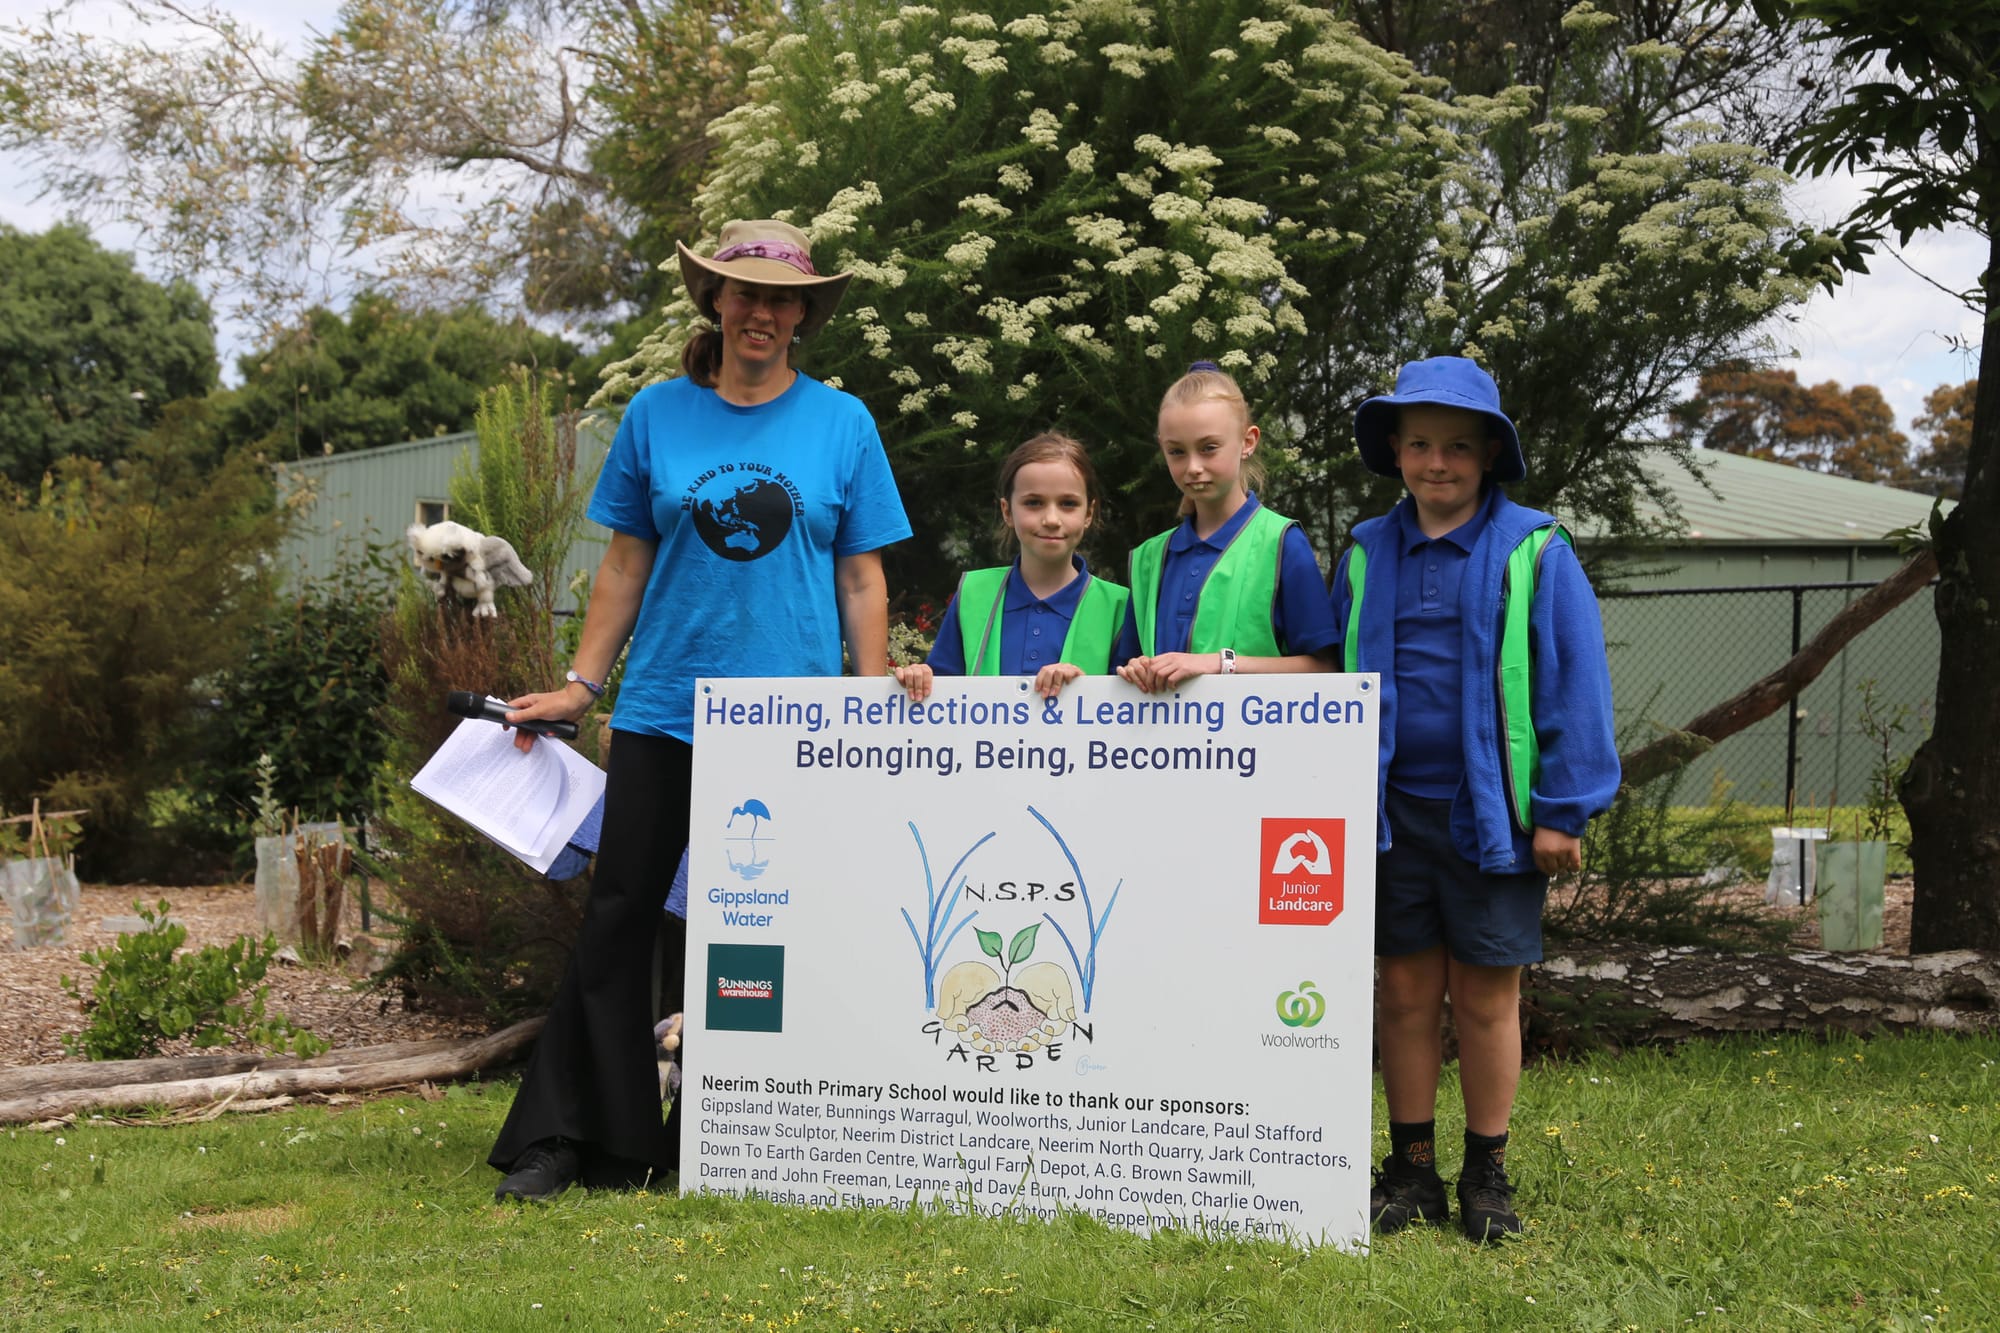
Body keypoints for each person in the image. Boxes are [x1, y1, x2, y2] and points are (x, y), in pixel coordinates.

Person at [486, 218, 911, 1203]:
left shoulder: (840, 423)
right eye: (741, 292)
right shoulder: (656, 415)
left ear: (801, 314)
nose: (759, 311)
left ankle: (729, 1138)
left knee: (763, 928)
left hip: (789, 731)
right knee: (620, 919)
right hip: (665, 709)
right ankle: (578, 1138)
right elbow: (625, 564)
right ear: (713, 301)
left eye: (778, 298)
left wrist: (870, 694)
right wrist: (582, 685)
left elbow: (860, 575)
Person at [1332, 355, 1618, 1242]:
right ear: (1395, 451)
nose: (1438, 462)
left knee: (1488, 996)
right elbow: (1328, 669)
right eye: (1418, 443)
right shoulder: (1365, 549)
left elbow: (1576, 682)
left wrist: (1564, 807)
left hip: (1492, 816)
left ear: (1491, 453)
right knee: (1405, 992)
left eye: (1459, 445)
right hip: (1385, 814)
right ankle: (1410, 1168)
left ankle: (1485, 1170)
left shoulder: (1536, 546)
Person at [1116, 362, 1338, 691]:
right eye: (1177, 452)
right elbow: (1120, 674)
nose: (1193, 467)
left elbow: (1326, 669)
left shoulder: (1281, 543)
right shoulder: (1148, 559)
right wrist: (1135, 671)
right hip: (1164, 744)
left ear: (1248, 442)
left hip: (1259, 741)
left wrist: (1220, 663)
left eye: (1208, 448)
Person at [895, 432, 1128, 702]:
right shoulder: (973, 594)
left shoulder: (1118, 607)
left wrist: (1084, 690)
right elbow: (941, 696)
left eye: (1068, 504)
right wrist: (919, 679)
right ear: (1007, 511)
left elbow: (1131, 710)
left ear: (1088, 513)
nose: (1051, 519)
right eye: (1034, 503)